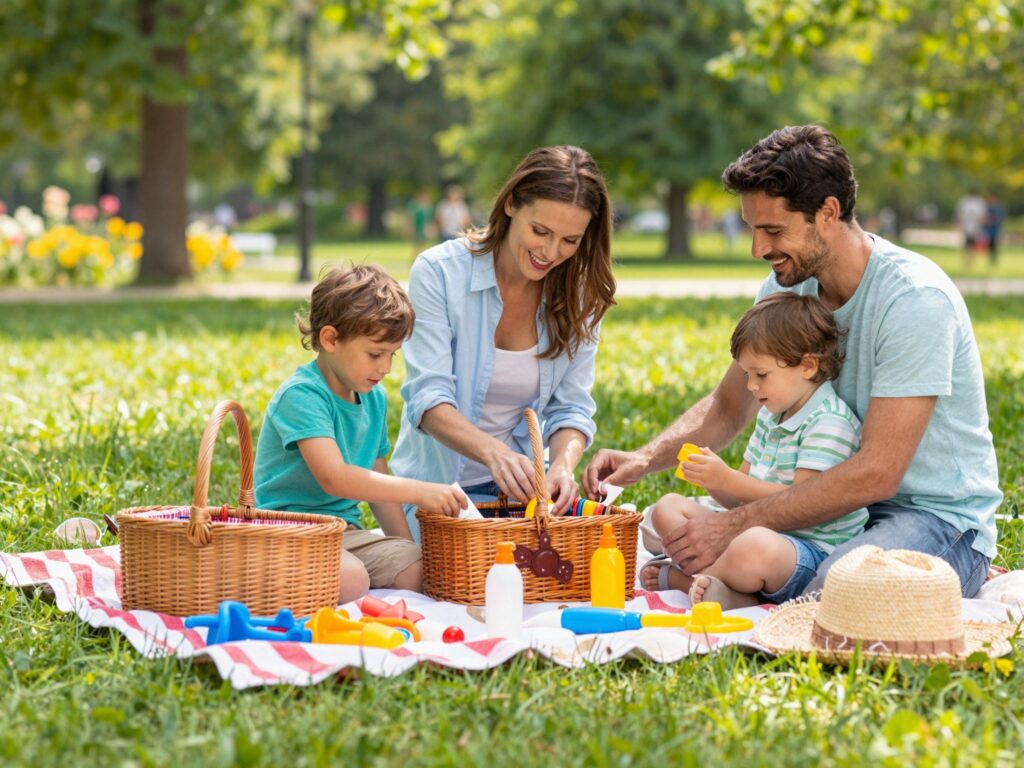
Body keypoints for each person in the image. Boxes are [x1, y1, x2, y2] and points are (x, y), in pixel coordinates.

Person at [584, 125, 1001, 598]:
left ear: (828, 212)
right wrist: (644, 459)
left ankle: (748, 585)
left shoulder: (913, 300)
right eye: (753, 229)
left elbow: (878, 471)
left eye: (773, 230)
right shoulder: (787, 287)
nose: (758, 249)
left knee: (839, 590)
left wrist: (734, 525)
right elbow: (728, 404)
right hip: (826, 513)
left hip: (930, 518)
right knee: (685, 525)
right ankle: (742, 583)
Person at [392, 146, 616, 540]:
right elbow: (428, 401)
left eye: (569, 240)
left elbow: (571, 408)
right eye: (540, 232)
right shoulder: (439, 273)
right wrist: (496, 455)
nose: (550, 253)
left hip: (524, 497)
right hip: (438, 495)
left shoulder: (578, 297)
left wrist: (561, 467)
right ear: (511, 204)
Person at [254, 265, 467, 602]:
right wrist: (419, 491)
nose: (385, 368)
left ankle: (334, 585)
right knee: (351, 579)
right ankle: (269, 582)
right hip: (289, 531)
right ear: (330, 339)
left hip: (343, 533)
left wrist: (407, 549)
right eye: (375, 354)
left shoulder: (373, 396)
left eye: (391, 355)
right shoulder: (302, 396)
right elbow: (335, 478)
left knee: (422, 569)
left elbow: (378, 482)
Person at [640, 292, 867, 609]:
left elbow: (801, 504)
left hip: (805, 548)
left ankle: (688, 580)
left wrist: (727, 479)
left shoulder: (830, 422)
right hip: (751, 528)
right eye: (748, 375)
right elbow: (740, 503)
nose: (751, 386)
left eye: (761, 375)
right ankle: (730, 591)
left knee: (753, 547)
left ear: (807, 366)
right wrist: (714, 481)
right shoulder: (772, 414)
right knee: (667, 508)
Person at [955, 191, 988, 268]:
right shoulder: (978, 203)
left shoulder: (966, 202)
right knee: (970, 245)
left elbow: (959, 215)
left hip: (971, 227)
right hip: (971, 227)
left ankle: (968, 261)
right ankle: (969, 261)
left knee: (969, 245)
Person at [406, 188, 435, 257]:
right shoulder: (414, 205)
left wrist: (431, 228)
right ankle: (415, 258)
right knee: (417, 245)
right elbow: (409, 217)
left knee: (425, 244)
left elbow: (430, 219)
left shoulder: (429, 206)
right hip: (417, 228)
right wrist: (408, 228)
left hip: (425, 228)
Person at [984, 192, 1007, 267]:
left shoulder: (999, 208)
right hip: (989, 230)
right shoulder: (988, 207)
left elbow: (1000, 218)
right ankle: (991, 260)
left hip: (996, 229)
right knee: (989, 245)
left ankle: (994, 260)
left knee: (994, 245)